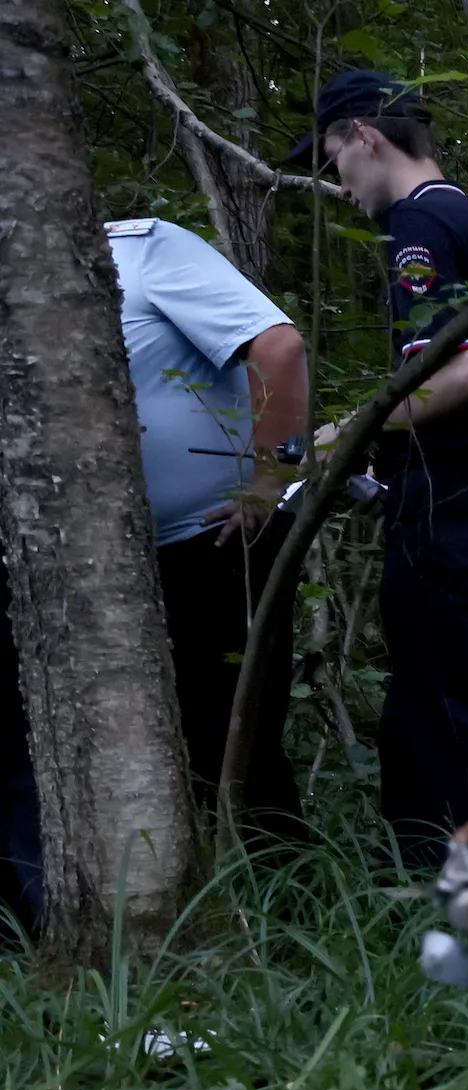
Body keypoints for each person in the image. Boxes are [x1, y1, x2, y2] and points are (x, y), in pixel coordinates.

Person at [0, 217, 315, 934]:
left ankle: (284, 914)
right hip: (74, 566)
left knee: (228, 734)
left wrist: (269, 477)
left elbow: (278, 345)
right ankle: (51, 929)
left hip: (214, 542)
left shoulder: (142, 251)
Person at [294, 70, 468, 873]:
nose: (336, 182)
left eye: (332, 157)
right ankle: (422, 882)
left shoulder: (417, 229)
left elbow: (467, 378)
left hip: (448, 512)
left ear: (366, 138)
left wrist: (348, 430)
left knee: (459, 717)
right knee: (426, 710)